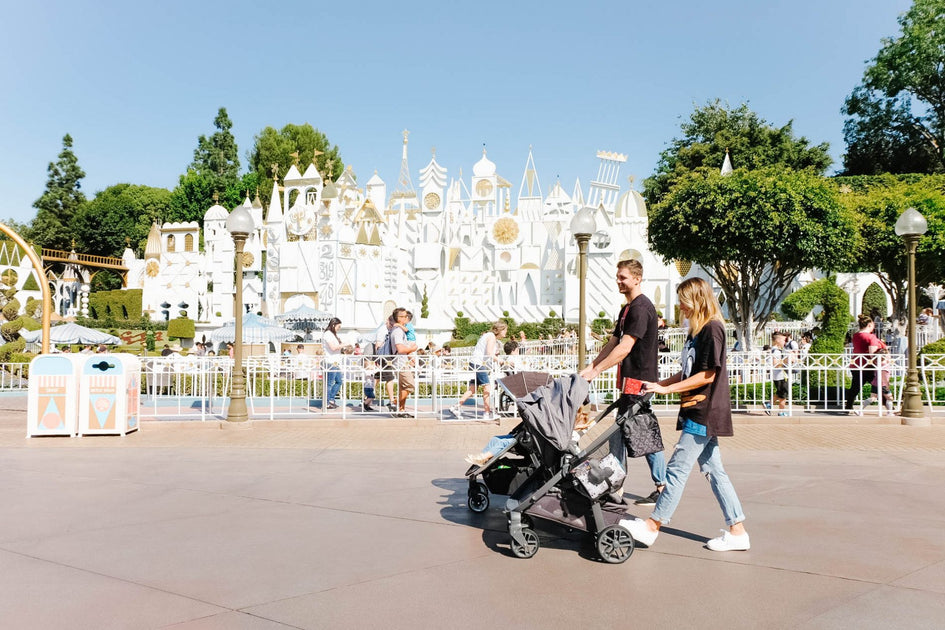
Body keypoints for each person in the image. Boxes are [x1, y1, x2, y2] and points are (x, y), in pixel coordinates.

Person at [621, 277, 749, 552]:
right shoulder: (696, 331)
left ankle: (653, 525)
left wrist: (669, 391)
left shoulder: (713, 329)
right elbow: (689, 371)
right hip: (696, 409)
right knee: (715, 471)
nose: (679, 305)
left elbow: (707, 374)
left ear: (696, 299)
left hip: (705, 411)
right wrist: (661, 385)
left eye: (683, 299)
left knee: (677, 469)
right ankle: (737, 531)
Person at [580, 259, 663, 506]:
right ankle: (624, 485)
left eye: (623, 277)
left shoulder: (640, 308)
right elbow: (613, 342)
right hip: (630, 382)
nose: (618, 281)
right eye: (618, 276)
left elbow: (625, 348)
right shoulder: (627, 309)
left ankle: (626, 486)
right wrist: (591, 367)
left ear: (637, 278)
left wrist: (596, 372)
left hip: (640, 382)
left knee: (637, 432)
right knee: (634, 432)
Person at [451, 321, 508, 421]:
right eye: (505, 330)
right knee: (487, 387)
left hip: (474, 362)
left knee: (472, 389)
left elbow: (487, 352)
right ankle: (487, 413)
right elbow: (490, 353)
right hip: (479, 364)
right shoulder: (491, 337)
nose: (506, 333)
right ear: (500, 329)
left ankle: (456, 406)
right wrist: (500, 361)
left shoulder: (489, 336)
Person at [844, 314, 886, 415]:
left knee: (855, 387)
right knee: (880, 386)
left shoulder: (856, 336)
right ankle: (890, 407)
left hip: (856, 364)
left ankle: (848, 407)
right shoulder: (871, 337)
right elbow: (873, 354)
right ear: (869, 325)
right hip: (868, 365)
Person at [390, 307, 418, 417]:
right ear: (399, 318)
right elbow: (400, 349)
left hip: (403, 361)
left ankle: (401, 411)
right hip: (400, 363)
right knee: (410, 386)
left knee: (403, 387)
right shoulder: (397, 331)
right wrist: (412, 349)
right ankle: (394, 403)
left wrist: (410, 357)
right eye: (405, 316)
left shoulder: (400, 329)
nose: (407, 318)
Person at [764, 332, 790, 416]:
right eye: (783, 340)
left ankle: (769, 403)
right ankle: (781, 411)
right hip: (780, 375)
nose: (784, 341)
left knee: (780, 393)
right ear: (778, 340)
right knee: (783, 394)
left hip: (780, 375)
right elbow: (775, 364)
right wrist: (786, 361)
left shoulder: (776, 349)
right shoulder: (776, 351)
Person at [321, 317, 344, 410]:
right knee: (329, 383)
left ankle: (331, 399)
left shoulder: (332, 335)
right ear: (334, 325)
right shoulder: (327, 334)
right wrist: (344, 344)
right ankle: (326, 403)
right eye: (338, 327)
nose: (339, 329)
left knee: (339, 381)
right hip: (330, 361)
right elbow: (333, 347)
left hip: (335, 362)